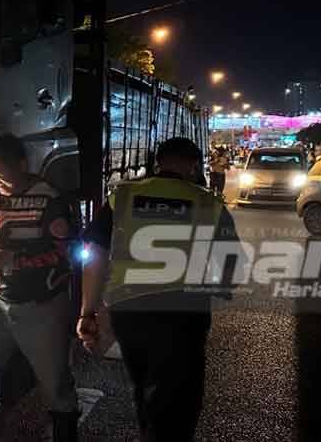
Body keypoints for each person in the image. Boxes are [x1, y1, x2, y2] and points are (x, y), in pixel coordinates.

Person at [75, 137, 245, 442]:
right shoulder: (207, 202)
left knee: (144, 387)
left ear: (158, 161)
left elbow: (94, 254)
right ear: (193, 166)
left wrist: (89, 311)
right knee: (178, 401)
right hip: (183, 314)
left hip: (129, 313)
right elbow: (231, 264)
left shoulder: (122, 196)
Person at [0, 133, 81, 442]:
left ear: (22, 165)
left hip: (43, 303)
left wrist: (11, 259)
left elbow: (65, 252)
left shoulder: (50, 199)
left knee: (55, 383)